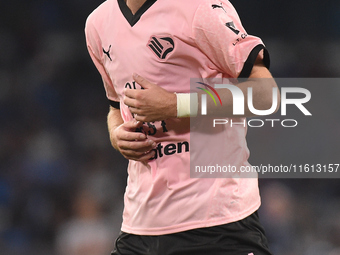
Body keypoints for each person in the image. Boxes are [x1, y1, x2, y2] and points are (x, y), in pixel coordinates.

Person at [85, 0, 278, 254]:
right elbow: (115, 108)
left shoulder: (200, 7)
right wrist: (116, 135)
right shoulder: (98, 23)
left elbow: (266, 94)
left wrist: (176, 105)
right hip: (140, 227)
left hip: (218, 224)